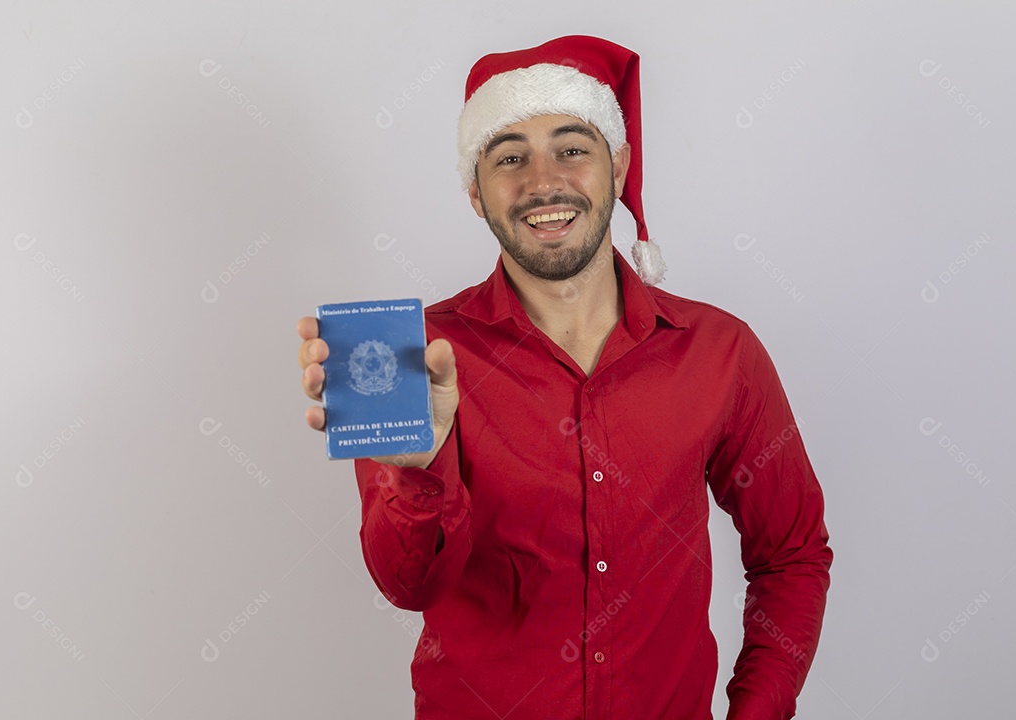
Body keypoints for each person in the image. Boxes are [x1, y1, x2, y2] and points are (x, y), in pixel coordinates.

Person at [297, 35, 832, 720]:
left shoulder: (720, 351)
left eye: (572, 149)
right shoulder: (410, 356)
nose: (542, 181)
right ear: (474, 192)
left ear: (618, 163)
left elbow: (791, 555)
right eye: (510, 157)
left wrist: (757, 711)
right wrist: (416, 472)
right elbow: (408, 586)